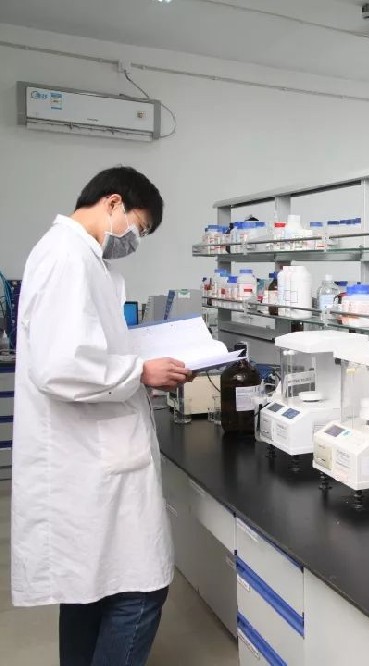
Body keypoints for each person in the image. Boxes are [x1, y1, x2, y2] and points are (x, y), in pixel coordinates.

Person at [11, 167, 192, 665]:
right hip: (87, 461)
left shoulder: (79, 258)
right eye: (139, 226)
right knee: (141, 593)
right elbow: (62, 366)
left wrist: (136, 365)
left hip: (92, 457)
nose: (135, 240)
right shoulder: (67, 257)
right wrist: (141, 371)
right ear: (113, 203)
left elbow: (85, 350)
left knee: (88, 591)